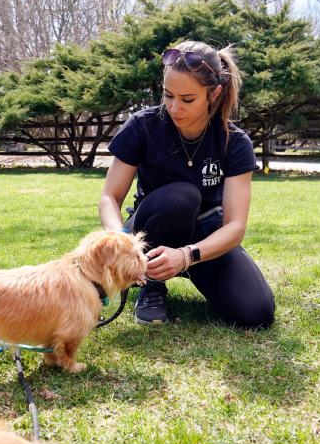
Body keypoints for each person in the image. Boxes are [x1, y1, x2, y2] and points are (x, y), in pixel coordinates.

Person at [98, 40, 275, 329]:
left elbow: (235, 227)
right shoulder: (142, 126)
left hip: (203, 237)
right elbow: (110, 197)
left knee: (257, 313)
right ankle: (152, 284)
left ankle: (188, 269)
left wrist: (186, 256)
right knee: (183, 196)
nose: (174, 107)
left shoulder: (235, 142)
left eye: (187, 99)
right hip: (149, 229)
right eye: (168, 95)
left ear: (214, 93)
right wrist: (120, 240)